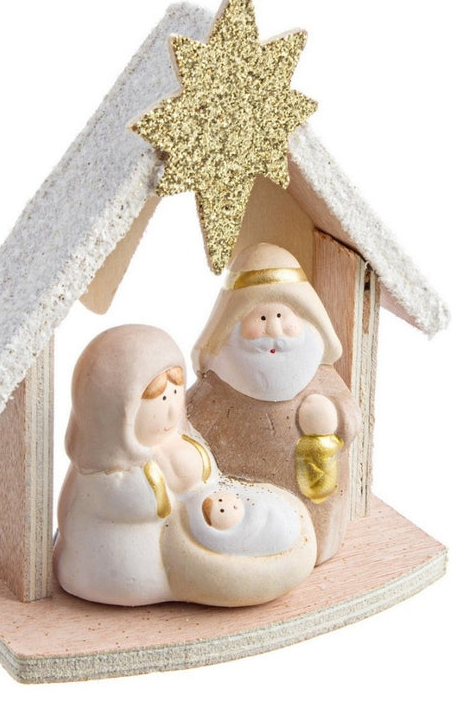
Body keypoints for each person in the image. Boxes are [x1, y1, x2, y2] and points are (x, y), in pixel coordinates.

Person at [54, 324, 316, 607]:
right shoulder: (109, 475)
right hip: (122, 559)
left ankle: (270, 551)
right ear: (118, 411)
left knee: (273, 516)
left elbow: (202, 481)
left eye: (175, 393)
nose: (170, 410)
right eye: (159, 399)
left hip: (194, 521)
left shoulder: (178, 440)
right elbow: (149, 506)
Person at [187, 244, 361, 565]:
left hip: (313, 504)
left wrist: (333, 417)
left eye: (282, 316)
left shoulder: (320, 377)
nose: (273, 329)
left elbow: (350, 415)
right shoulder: (218, 384)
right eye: (262, 317)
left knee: (311, 534)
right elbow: (187, 426)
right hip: (236, 504)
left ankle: (316, 547)